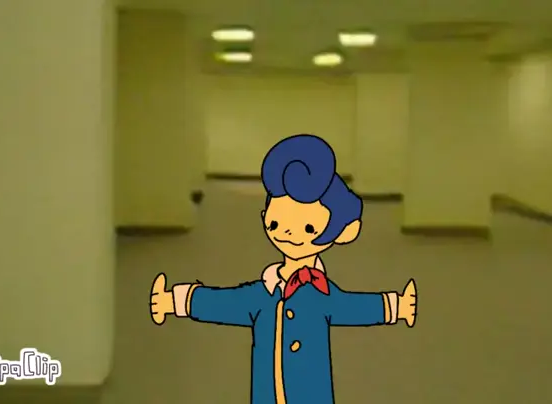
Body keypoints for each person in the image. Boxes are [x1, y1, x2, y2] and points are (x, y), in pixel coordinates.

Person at [150, 134, 418, 404]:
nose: (288, 233)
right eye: (276, 223)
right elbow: (223, 302)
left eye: (309, 228)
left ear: (342, 232)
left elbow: (354, 307)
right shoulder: (262, 293)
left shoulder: (322, 295)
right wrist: (176, 300)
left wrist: (395, 306)